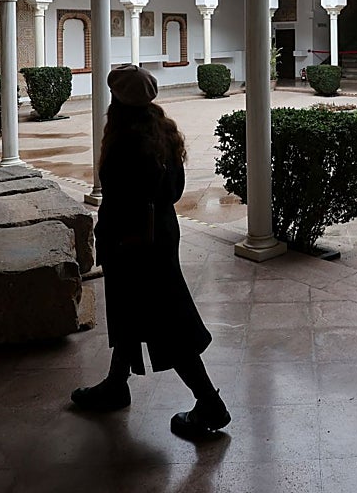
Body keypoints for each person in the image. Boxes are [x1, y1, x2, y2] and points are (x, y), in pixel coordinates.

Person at [71, 64, 230, 439]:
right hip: (160, 234)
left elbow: (124, 199)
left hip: (134, 243)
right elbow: (172, 191)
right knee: (130, 312)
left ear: (117, 101)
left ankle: (210, 403)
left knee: (166, 323)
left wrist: (117, 239)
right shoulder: (162, 133)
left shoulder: (127, 142)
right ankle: (116, 384)